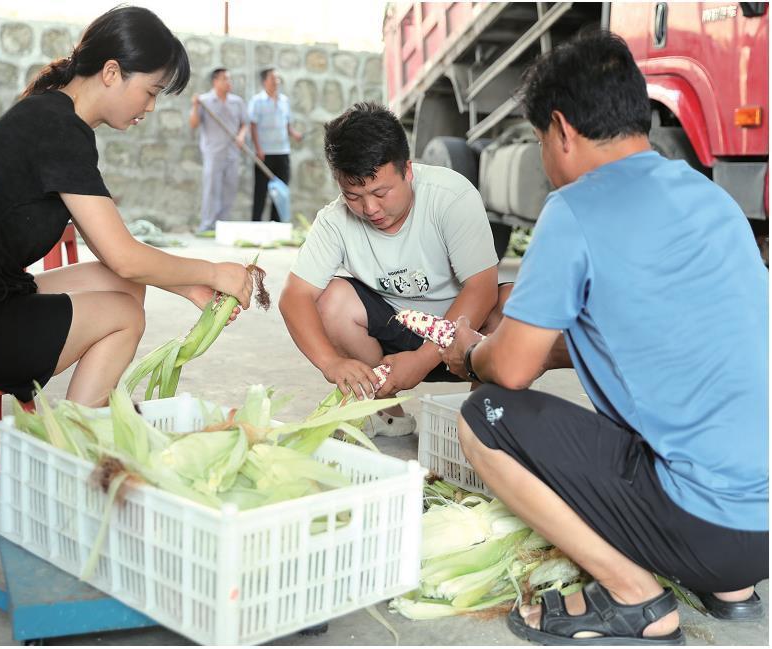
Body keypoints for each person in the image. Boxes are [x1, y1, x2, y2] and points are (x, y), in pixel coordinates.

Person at [440, 31, 768, 645]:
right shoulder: (711, 198)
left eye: (539, 141)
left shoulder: (576, 209)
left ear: (561, 130)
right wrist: (539, 345)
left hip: (701, 527)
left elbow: (507, 372)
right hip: (763, 531)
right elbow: (661, 339)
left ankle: (634, 598)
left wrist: (470, 349)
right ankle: (733, 593)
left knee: (483, 415)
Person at [0, 6, 254, 409]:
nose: (150, 107)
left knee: (126, 287)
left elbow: (117, 257)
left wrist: (188, 287)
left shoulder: (52, 114)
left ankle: (82, 424)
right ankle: (75, 442)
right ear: (111, 72)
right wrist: (213, 270)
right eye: (151, 91)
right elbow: (125, 256)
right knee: (125, 316)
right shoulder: (59, 130)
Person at [279, 102, 504, 436]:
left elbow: (482, 288)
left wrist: (425, 357)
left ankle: (479, 424)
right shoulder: (334, 220)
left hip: (463, 334)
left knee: (511, 308)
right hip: (392, 337)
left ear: (407, 170)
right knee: (332, 300)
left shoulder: (450, 196)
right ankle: (386, 414)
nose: (370, 208)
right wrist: (332, 363)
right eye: (353, 195)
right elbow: (294, 296)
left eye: (380, 192)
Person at [189, 67, 248, 232]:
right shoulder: (204, 100)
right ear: (215, 81)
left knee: (230, 188)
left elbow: (245, 123)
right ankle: (207, 225)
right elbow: (193, 124)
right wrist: (195, 106)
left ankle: (222, 225)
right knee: (211, 189)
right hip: (213, 152)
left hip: (232, 152)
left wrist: (241, 136)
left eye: (229, 79)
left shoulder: (237, 102)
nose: (229, 82)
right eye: (225, 79)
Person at [248, 67, 302, 222]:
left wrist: (294, 134)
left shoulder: (284, 101)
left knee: (281, 190)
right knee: (261, 191)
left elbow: (287, 124)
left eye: (278, 79)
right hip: (264, 153)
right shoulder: (257, 101)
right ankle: (256, 223)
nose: (276, 81)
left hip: (283, 152)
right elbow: (253, 125)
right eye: (273, 78)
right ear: (265, 81)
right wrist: (258, 149)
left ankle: (276, 224)